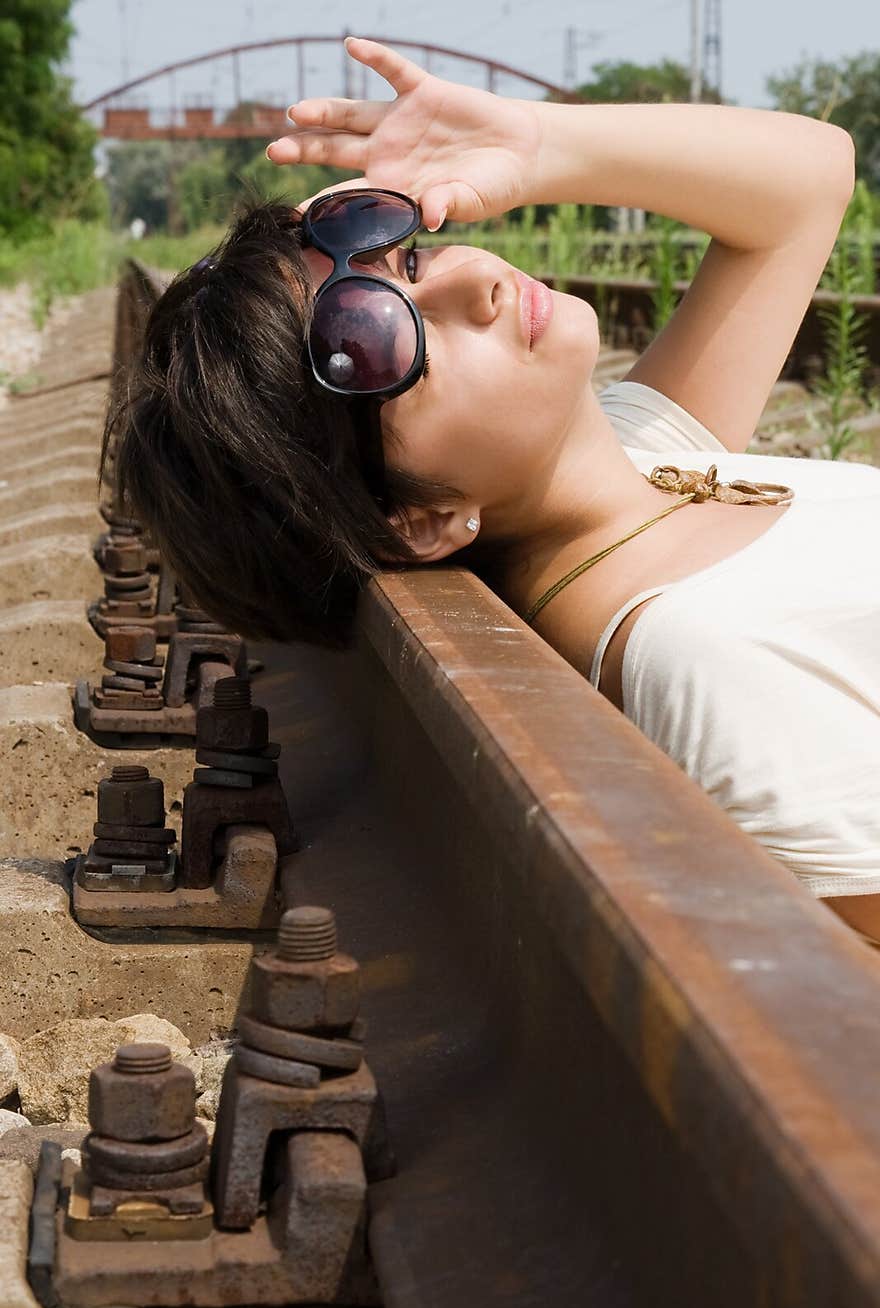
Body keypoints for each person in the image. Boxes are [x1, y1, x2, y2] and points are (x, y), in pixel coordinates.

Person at [109, 37, 880, 939]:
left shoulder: (646, 462)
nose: (476, 276)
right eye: (388, 342)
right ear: (420, 521)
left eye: (408, 261)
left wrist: (537, 146)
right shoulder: (700, 661)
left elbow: (810, 182)